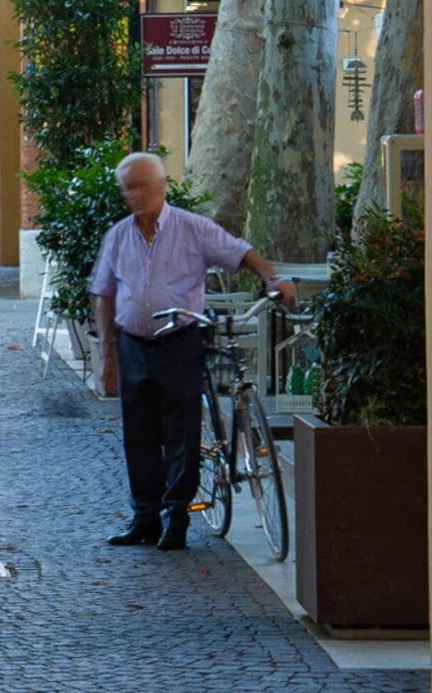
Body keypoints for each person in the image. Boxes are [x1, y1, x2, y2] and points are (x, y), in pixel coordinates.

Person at [89, 150, 295, 551]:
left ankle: (176, 519)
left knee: (180, 434)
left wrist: (273, 277)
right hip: (133, 344)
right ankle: (144, 517)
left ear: (162, 186)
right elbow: (104, 294)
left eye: (143, 186)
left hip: (180, 341)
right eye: (128, 188)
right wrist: (107, 356)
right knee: (139, 435)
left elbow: (241, 251)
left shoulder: (192, 228)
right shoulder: (118, 235)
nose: (135, 195)